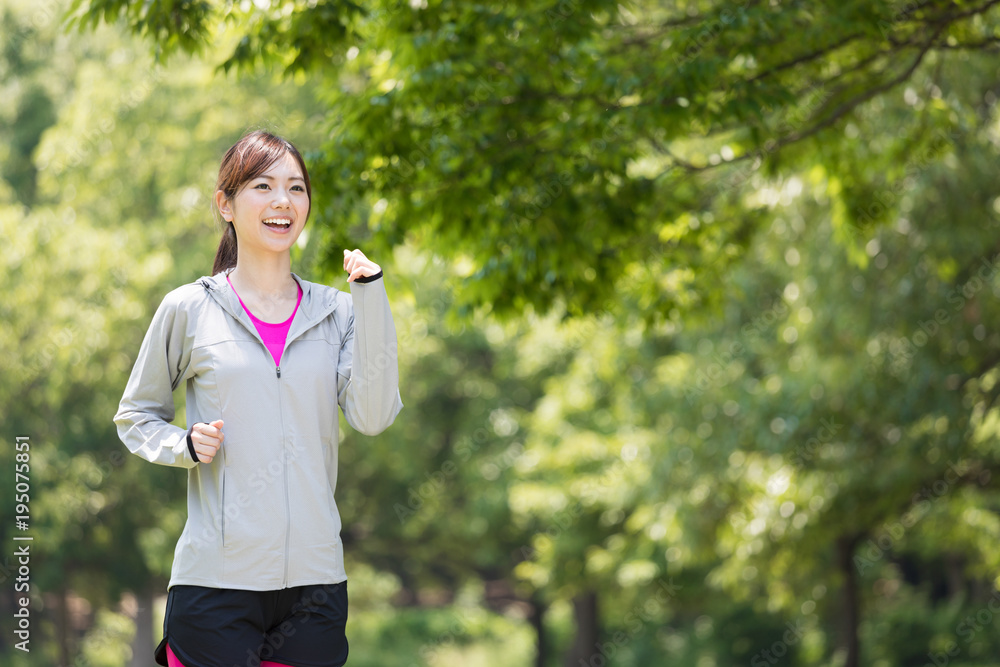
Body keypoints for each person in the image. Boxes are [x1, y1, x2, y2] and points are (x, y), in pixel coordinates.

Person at [114, 129, 404, 667]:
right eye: (263, 186)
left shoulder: (338, 312)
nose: (282, 202)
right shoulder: (188, 308)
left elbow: (373, 414)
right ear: (225, 203)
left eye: (296, 188)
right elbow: (135, 415)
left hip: (315, 585)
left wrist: (372, 301)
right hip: (216, 584)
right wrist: (185, 444)